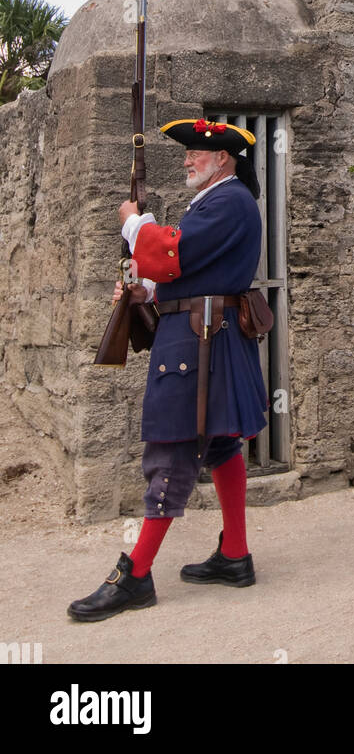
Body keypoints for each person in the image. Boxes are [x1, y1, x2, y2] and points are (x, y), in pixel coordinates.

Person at [68, 119, 269, 621]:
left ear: (222, 158)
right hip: (200, 336)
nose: (186, 161)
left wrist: (135, 223)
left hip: (201, 342)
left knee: (171, 451)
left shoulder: (229, 201)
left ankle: (135, 574)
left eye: (195, 154)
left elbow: (170, 251)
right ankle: (235, 556)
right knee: (221, 443)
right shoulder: (216, 201)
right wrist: (148, 292)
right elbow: (188, 272)